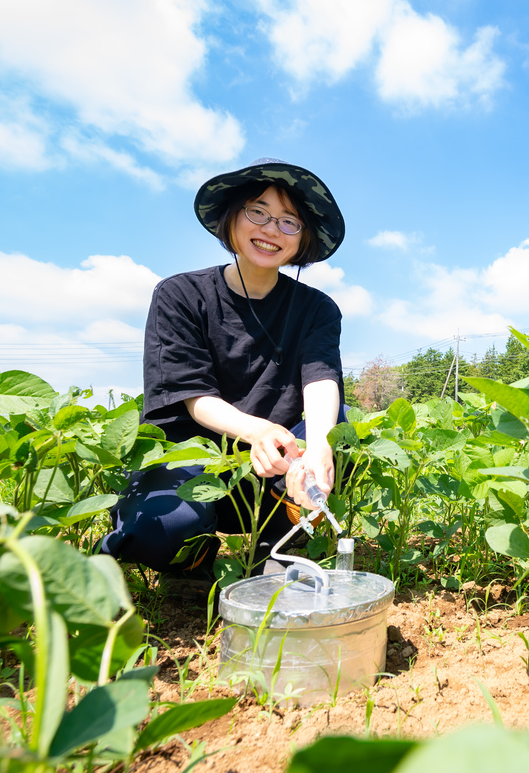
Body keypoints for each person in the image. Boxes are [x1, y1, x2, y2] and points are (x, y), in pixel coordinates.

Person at [97, 158, 347, 583]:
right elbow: (192, 395)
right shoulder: (181, 295)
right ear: (231, 218)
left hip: (272, 470)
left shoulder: (317, 309)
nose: (271, 229)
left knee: (337, 432)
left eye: (289, 221)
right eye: (258, 212)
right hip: (193, 463)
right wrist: (257, 430)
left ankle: (277, 546)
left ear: (303, 238)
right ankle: (194, 560)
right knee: (157, 530)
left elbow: (321, 379)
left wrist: (320, 448)